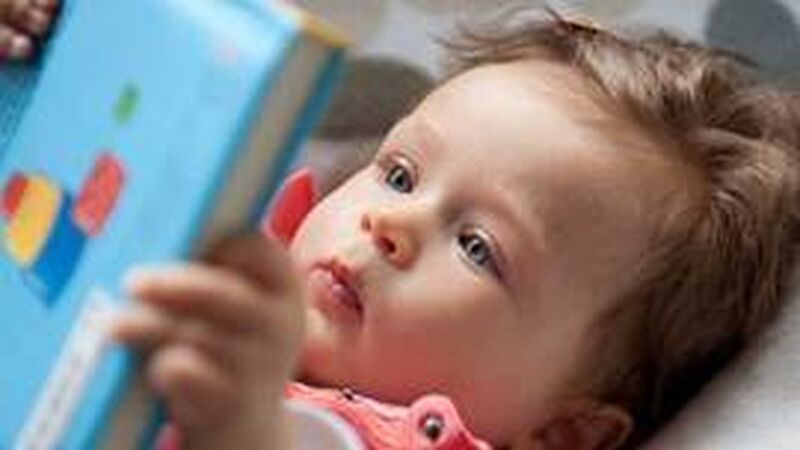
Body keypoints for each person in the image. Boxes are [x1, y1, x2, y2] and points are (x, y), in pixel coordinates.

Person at [5, 2, 800, 449]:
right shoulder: (230, 232)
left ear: (567, 431)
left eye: (480, 247)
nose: (392, 224)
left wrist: (247, 427)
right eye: (399, 173)